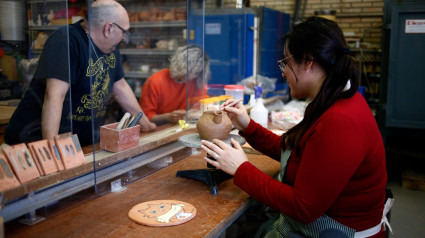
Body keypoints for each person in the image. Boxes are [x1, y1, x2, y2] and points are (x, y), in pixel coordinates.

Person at [201, 17, 390, 238]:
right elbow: (295, 150)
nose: (283, 73)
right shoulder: (331, 101)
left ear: (309, 61)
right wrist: (247, 125)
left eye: (286, 63)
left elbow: (304, 207)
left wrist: (241, 169)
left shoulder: (341, 121)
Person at [5, 0, 156, 147]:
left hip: (78, 142)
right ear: (109, 28)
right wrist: (50, 146)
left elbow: (121, 87)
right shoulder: (66, 40)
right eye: (124, 32)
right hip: (35, 139)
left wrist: (145, 123)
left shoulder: (110, 48)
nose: (124, 38)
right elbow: (54, 95)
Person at [139, 45, 210, 125]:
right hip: (159, 128)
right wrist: (167, 117)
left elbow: (200, 106)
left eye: (196, 73)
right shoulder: (155, 81)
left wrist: (193, 113)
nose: (191, 76)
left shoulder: (197, 81)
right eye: (188, 71)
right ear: (179, 65)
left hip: (182, 127)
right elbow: (143, 117)